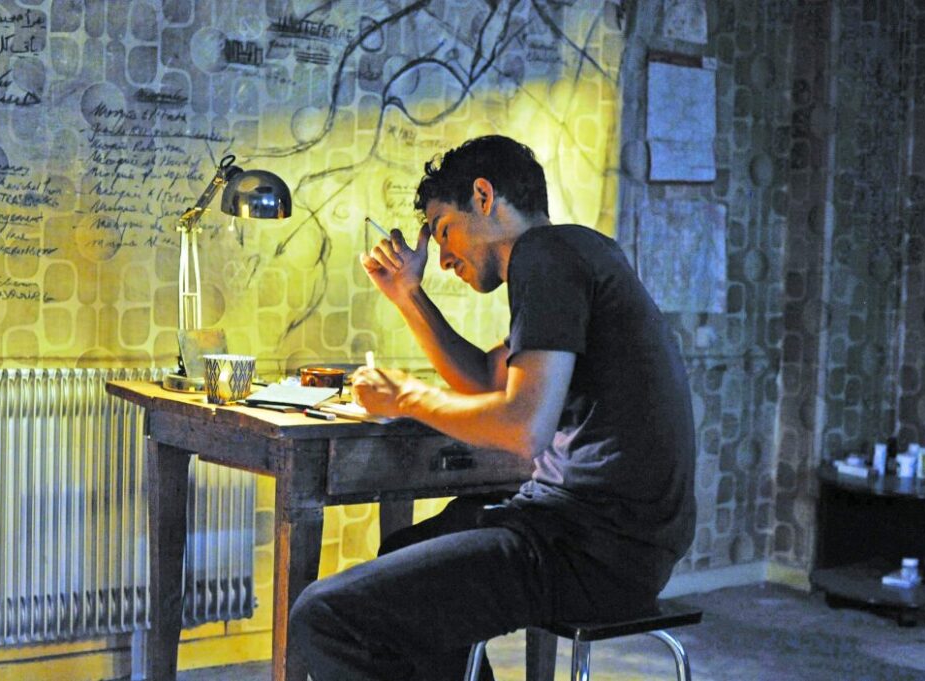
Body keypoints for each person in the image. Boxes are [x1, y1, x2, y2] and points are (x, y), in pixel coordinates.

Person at [288, 135, 696, 681]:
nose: (441, 257)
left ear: (484, 196)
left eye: (443, 230)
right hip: (612, 540)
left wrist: (407, 397)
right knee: (406, 549)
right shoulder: (577, 252)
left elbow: (523, 429)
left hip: (592, 548)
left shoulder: (545, 257)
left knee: (324, 616)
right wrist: (408, 295)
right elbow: (485, 378)